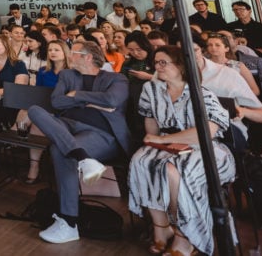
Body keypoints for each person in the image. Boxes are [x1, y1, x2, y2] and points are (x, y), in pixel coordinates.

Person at [128, 46, 236, 256]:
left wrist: (163, 139)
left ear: (180, 66)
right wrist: (157, 143)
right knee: (141, 161)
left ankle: (186, 235)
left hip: (206, 148)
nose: (157, 67)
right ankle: (162, 227)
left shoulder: (201, 93)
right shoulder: (152, 89)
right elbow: (151, 123)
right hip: (169, 144)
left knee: (173, 170)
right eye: (156, 62)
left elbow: (207, 133)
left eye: (163, 62)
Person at [26, 41, 131, 244]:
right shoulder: (67, 75)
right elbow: (56, 102)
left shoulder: (116, 78)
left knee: (59, 149)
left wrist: (76, 95)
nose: (69, 56)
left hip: (100, 133)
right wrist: (92, 102)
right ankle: (83, 158)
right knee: (35, 110)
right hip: (66, 125)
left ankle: (69, 222)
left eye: (73, 53)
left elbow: (111, 100)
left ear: (87, 57)